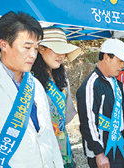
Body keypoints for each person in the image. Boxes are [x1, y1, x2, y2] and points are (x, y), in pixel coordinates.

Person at [0, 11, 63, 167]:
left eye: (36, 48)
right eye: (27, 47)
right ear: (4, 45)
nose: (33, 55)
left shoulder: (36, 85)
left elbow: (48, 138)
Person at [76, 39, 124, 168]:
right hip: (104, 152)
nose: (122, 65)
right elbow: (88, 122)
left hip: (120, 146)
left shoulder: (116, 83)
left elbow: (123, 116)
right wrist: (99, 153)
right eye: (119, 61)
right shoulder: (91, 85)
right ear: (107, 57)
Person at [31, 27, 82, 167]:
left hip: (63, 146)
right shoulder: (29, 79)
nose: (62, 55)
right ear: (41, 48)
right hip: (41, 150)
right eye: (57, 49)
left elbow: (65, 117)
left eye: (64, 51)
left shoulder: (62, 77)